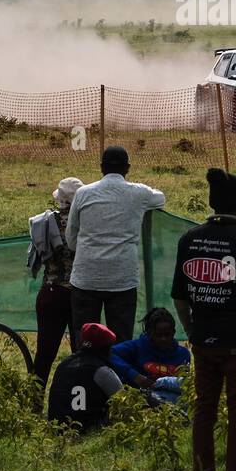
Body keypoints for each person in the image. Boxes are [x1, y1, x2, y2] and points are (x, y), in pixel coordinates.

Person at [171, 168, 236, 471]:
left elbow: (180, 297)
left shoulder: (189, 239)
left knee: (205, 408)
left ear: (212, 202)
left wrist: (190, 329)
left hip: (203, 340)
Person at [66, 146, 166, 342]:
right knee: (121, 341)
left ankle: (86, 372)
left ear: (101, 167)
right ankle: (117, 373)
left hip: (86, 277)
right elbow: (160, 198)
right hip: (122, 278)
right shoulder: (140, 193)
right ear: (127, 168)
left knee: (84, 340)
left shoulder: (83, 193)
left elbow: (71, 238)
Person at [28, 177, 84, 383]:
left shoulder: (44, 222)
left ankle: (33, 402)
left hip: (52, 292)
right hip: (81, 293)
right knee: (82, 355)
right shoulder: (86, 223)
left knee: (44, 354)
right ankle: (80, 403)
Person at [46, 322, 124, 432]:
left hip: (57, 428)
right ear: (105, 348)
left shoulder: (63, 364)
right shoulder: (100, 370)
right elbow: (124, 400)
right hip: (88, 430)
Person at [110, 307, 192, 394]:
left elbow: (184, 385)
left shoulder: (183, 355)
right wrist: (134, 375)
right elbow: (109, 353)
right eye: (158, 335)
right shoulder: (137, 346)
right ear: (149, 333)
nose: (163, 339)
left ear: (174, 332)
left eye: (167, 335)